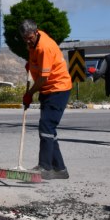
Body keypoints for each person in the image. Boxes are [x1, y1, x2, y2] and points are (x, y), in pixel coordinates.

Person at [20, 19, 72, 180]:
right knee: (49, 130)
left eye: (30, 38)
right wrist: (31, 64)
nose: (27, 41)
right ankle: (60, 169)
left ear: (36, 32)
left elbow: (43, 78)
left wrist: (30, 94)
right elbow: (36, 63)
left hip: (58, 89)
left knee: (46, 126)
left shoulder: (45, 47)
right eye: (24, 38)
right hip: (48, 90)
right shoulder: (33, 44)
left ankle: (45, 167)